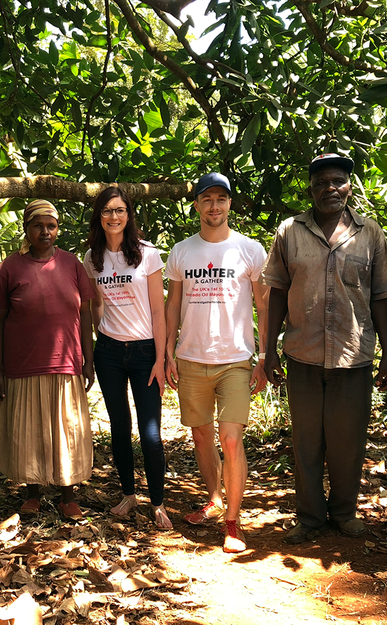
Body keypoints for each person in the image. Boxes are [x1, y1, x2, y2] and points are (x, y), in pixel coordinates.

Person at [262, 153, 387, 545]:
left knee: (347, 440)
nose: (330, 189)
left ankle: (343, 512)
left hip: (352, 355)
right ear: (311, 187)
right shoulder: (290, 231)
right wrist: (268, 351)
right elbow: (277, 291)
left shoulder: (369, 233)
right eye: (322, 182)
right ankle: (309, 516)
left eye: (338, 181)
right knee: (306, 440)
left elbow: (380, 298)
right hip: (302, 353)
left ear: (349, 186)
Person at [165, 173, 268, 553]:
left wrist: (265, 356)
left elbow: (264, 303)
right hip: (191, 358)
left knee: (231, 438)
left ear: (229, 204)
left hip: (236, 359)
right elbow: (173, 305)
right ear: (196, 205)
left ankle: (233, 522)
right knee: (202, 436)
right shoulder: (181, 252)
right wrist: (167, 353)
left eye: (220, 199)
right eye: (206, 199)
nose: (214, 206)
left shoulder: (250, 250)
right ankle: (214, 498)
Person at [0, 200, 96, 518]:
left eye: (50, 226)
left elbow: (85, 315)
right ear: (27, 229)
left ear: (57, 229)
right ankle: (32, 493)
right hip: (23, 364)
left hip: (65, 364)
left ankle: (67, 495)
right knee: (29, 431)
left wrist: (88, 361)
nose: (45, 232)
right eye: (38, 225)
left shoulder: (72, 264)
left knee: (67, 429)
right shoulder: (10, 268)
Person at [83, 187, 171, 529]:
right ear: (99, 217)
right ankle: (128, 493)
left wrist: (160, 358)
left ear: (129, 214)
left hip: (145, 350)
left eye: (120, 210)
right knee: (119, 427)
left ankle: (158, 502)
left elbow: (159, 312)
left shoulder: (147, 255)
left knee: (150, 432)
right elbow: (95, 304)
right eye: (107, 211)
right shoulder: (92, 258)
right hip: (108, 351)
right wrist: (97, 336)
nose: (114, 217)